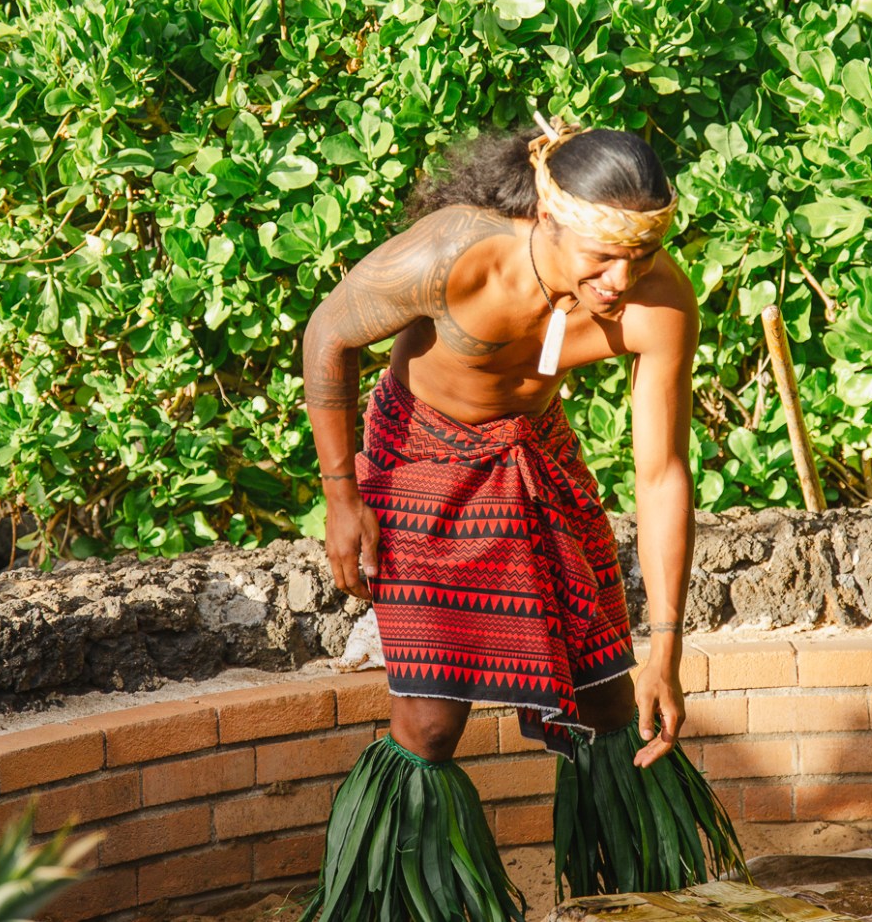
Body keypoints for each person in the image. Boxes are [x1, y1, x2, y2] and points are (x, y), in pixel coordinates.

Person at [300, 119, 746, 921]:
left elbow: (662, 470)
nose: (619, 279)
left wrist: (668, 649)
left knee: (614, 701)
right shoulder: (454, 255)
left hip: (536, 456)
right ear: (549, 220)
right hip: (421, 459)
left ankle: (643, 900)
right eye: (601, 257)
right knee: (431, 723)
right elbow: (329, 334)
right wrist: (343, 497)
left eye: (638, 257)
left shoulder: (659, 300)